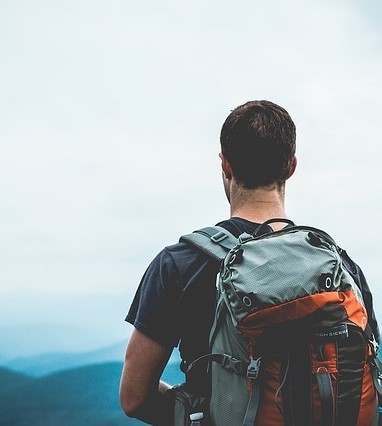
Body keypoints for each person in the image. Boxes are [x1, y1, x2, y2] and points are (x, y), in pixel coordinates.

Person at [119, 100, 379, 425]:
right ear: (291, 167)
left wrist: (197, 413)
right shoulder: (342, 267)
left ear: (225, 164)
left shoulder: (179, 265)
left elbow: (134, 398)